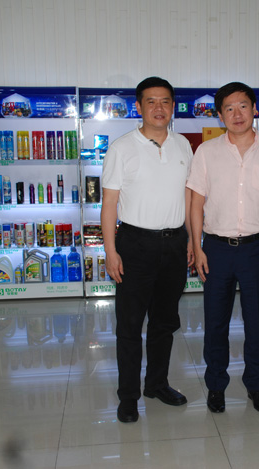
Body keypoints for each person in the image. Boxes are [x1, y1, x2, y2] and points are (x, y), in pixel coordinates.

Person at [187, 82, 259, 413]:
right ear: (220, 116)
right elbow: (195, 204)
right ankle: (216, 386)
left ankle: (256, 385)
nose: (237, 114)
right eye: (229, 108)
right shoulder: (206, 152)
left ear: (254, 109)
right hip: (216, 249)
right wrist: (197, 247)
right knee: (215, 322)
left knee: (257, 322)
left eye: (243, 106)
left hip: (258, 248)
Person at [101, 76, 194, 423]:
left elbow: (189, 196)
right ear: (138, 107)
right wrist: (111, 251)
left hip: (175, 243)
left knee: (164, 322)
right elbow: (109, 204)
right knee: (129, 325)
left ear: (173, 107)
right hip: (135, 244)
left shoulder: (183, 145)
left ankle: (156, 383)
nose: (159, 108)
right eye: (151, 101)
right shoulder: (121, 148)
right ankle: (128, 397)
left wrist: (192, 239)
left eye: (165, 101)